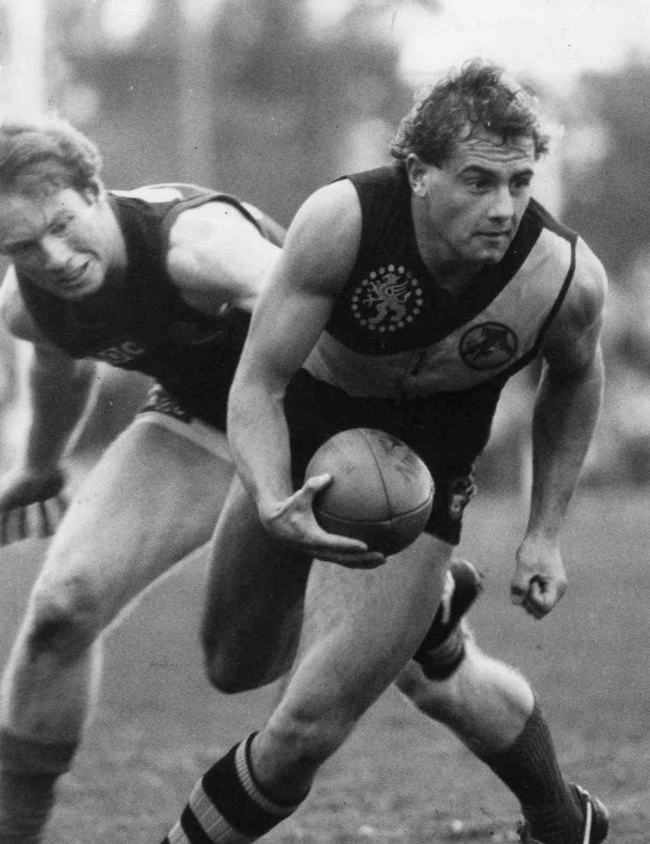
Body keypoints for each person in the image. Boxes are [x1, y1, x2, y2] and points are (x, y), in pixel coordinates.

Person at [0, 112, 519, 844]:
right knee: (61, 606)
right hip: (196, 419)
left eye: (59, 224)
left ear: (94, 188)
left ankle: (550, 797)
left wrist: (398, 479)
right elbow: (58, 363)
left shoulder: (199, 248)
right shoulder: (28, 302)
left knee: (400, 680)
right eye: (21, 245)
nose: (51, 256)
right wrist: (39, 466)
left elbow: (344, 323)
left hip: (315, 416)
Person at [161, 60, 610, 844]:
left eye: (519, 182)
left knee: (302, 729)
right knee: (236, 663)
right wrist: (271, 496)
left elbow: (575, 381)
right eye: (477, 181)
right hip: (303, 444)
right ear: (418, 173)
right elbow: (259, 382)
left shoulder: (564, 277)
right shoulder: (344, 220)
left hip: (426, 481)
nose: (503, 207)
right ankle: (428, 617)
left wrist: (544, 531)